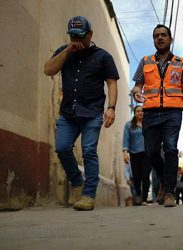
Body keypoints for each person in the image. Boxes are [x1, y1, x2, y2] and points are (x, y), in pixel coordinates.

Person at [43, 16, 119, 210]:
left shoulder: (103, 56)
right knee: (61, 147)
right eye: (73, 36)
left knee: (88, 151)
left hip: (92, 112)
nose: (76, 40)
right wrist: (68, 50)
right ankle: (77, 182)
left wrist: (111, 107)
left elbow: (111, 83)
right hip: (69, 113)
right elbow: (48, 70)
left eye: (80, 36)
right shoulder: (64, 51)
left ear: (90, 34)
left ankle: (88, 195)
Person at [132, 24, 183, 207]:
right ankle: (163, 179)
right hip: (150, 112)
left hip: (173, 112)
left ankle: (169, 192)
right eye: (156, 36)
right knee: (151, 151)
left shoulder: (181, 62)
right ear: (153, 40)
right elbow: (138, 85)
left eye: (163, 35)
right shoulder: (145, 61)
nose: (159, 38)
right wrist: (136, 92)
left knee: (170, 148)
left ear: (170, 39)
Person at [122, 105, 151, 205]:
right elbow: (126, 139)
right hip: (134, 154)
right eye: (138, 111)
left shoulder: (148, 124)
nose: (141, 113)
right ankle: (138, 194)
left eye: (142, 111)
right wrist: (125, 152)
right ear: (134, 113)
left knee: (146, 176)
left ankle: (144, 199)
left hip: (147, 154)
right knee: (136, 177)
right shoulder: (129, 125)